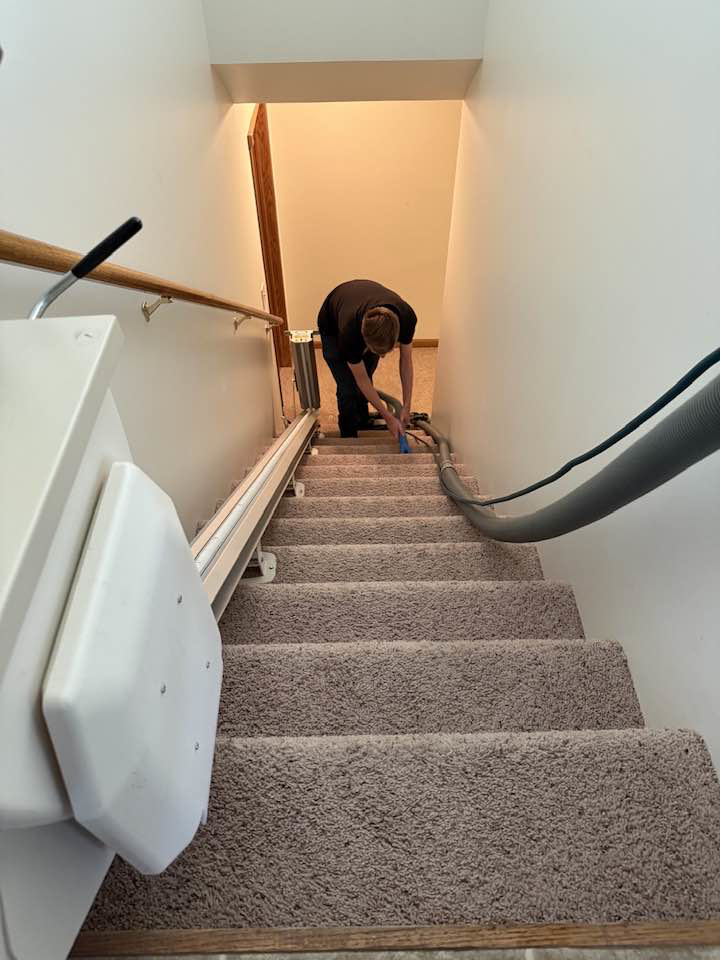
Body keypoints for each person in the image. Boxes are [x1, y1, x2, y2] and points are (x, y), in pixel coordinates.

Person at [317, 279, 417, 438]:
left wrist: (406, 406)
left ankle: (363, 421)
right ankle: (349, 433)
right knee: (347, 387)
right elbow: (361, 379)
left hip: (360, 305)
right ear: (364, 340)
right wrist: (388, 417)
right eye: (377, 352)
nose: (382, 357)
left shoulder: (407, 317)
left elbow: (406, 362)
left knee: (368, 370)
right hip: (332, 324)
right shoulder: (349, 332)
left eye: (385, 352)